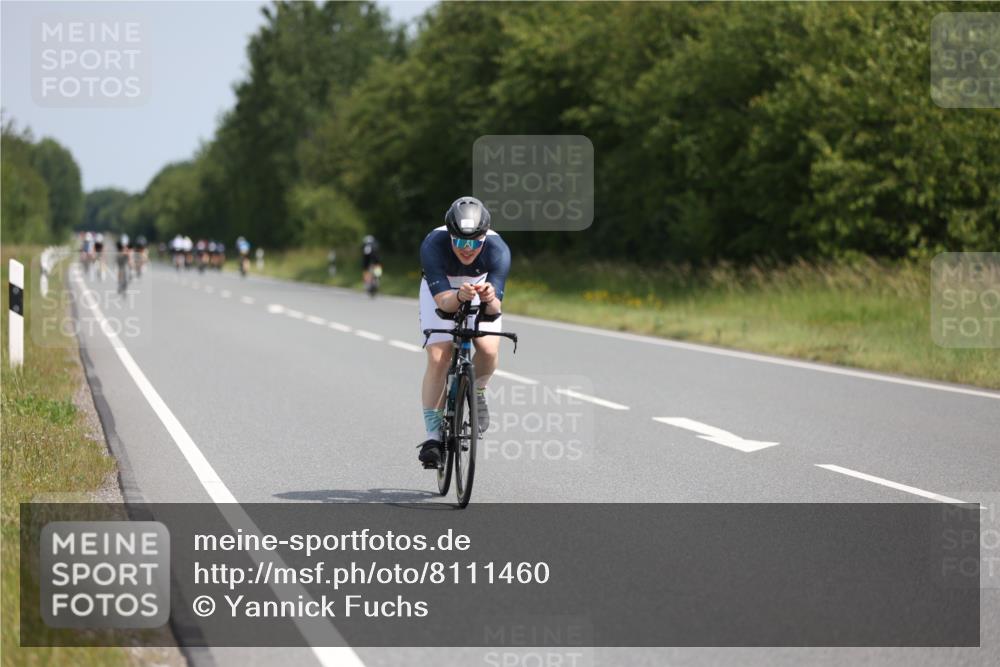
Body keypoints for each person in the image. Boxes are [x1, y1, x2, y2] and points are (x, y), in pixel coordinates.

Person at [416, 196, 510, 467]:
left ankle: (477, 391)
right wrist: (459, 297)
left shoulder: (498, 249)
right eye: (460, 242)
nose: (467, 250)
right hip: (443, 290)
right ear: (450, 236)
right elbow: (444, 303)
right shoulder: (433, 244)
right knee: (439, 357)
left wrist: (490, 298)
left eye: (474, 243)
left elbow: (494, 310)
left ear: (484, 238)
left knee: (488, 350)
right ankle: (433, 437)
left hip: (479, 286)